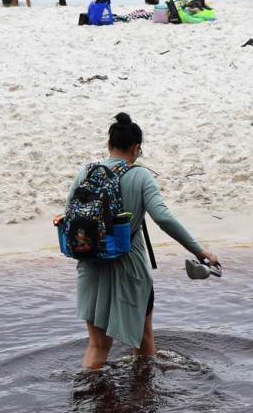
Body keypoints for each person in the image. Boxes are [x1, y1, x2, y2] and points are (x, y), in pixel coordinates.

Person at [60, 113, 219, 370]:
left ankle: (86, 392)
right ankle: (144, 389)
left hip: (90, 263)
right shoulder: (141, 176)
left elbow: (69, 214)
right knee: (143, 336)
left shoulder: (85, 172)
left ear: (109, 144)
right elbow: (163, 218)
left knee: (97, 346)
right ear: (135, 149)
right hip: (129, 267)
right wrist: (199, 251)